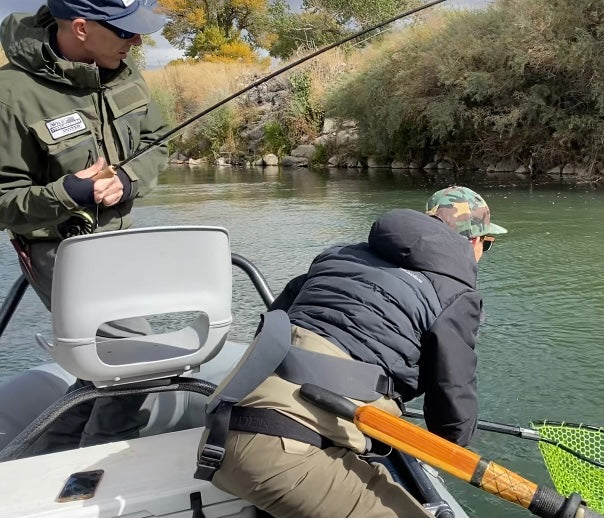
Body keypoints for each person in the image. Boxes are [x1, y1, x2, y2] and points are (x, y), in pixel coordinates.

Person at [197, 186, 507, 517]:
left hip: (219, 429)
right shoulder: (456, 296)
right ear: (473, 240)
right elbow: (452, 421)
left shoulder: (338, 254)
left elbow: (273, 325)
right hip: (276, 456)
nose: (483, 253)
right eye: (486, 244)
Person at [0, 0, 169, 452]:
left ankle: (49, 457)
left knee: (103, 368)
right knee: (140, 361)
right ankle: (101, 468)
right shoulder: (11, 94)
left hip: (121, 245)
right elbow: (3, 202)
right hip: (60, 253)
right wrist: (69, 193)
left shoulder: (123, 70)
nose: (136, 41)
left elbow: (157, 142)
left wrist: (128, 181)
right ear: (80, 28)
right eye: (124, 31)